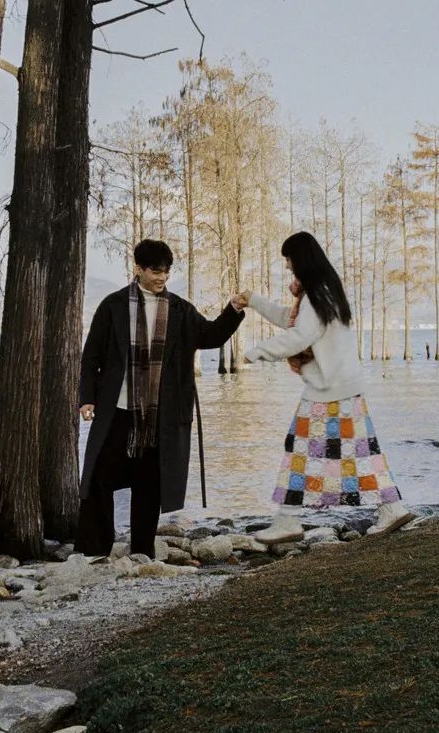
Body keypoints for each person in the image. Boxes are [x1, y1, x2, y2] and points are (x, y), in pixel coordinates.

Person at [234, 230, 412, 537]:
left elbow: (300, 335)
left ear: (301, 259)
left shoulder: (316, 294)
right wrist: (254, 300)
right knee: (361, 453)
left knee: (301, 451)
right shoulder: (323, 290)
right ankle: (391, 508)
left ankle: (289, 521)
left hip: (329, 391)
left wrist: (255, 353)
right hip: (343, 387)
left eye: (289, 259)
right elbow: (291, 319)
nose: (287, 266)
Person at [74, 238, 245, 558]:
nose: (162, 278)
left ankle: (142, 552)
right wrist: (87, 398)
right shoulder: (112, 306)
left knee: (149, 485)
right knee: (98, 478)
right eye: (155, 271)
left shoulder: (179, 309)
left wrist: (233, 310)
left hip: (159, 415)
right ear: (138, 268)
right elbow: (91, 355)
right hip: (117, 410)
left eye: (166, 271)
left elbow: (210, 335)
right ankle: (94, 552)